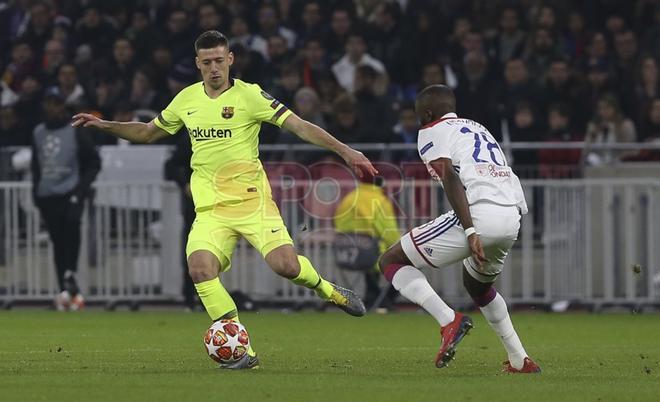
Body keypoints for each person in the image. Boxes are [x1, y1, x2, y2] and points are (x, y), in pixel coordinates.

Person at [71, 30, 376, 369]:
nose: (214, 68)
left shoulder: (251, 96)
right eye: (207, 63)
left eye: (219, 60)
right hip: (211, 211)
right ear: (197, 65)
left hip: (252, 204)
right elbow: (147, 132)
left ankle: (326, 289)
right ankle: (241, 349)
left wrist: (346, 151)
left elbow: (300, 126)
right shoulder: (186, 99)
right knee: (200, 269)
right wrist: (104, 125)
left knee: (286, 267)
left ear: (230, 60)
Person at [377, 85, 540, 373]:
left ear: (427, 113)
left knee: (390, 260)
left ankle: (448, 320)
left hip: (479, 214)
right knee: (478, 287)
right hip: (511, 216)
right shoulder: (478, 128)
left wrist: (469, 230)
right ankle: (520, 359)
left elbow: (449, 176)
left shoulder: (431, 129)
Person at [32, 88, 100, 311]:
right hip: (48, 194)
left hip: (71, 193)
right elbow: (36, 166)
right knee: (57, 242)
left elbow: (93, 161)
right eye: (49, 103)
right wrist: (36, 194)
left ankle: (70, 274)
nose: (53, 108)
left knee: (71, 230)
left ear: (63, 106)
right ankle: (66, 286)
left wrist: (80, 191)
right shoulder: (39, 132)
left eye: (57, 103)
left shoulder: (75, 131)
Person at [334, 176, 400, 311]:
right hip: (372, 255)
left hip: (346, 254)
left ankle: (374, 298)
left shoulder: (350, 198)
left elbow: (338, 224)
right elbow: (389, 233)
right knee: (410, 260)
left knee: (369, 262)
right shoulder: (380, 201)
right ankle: (385, 300)